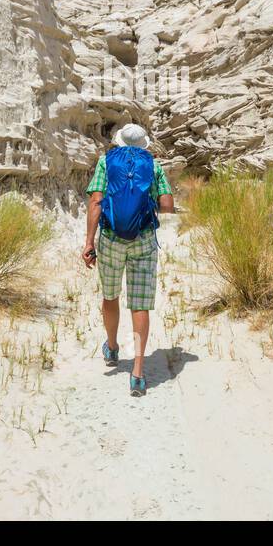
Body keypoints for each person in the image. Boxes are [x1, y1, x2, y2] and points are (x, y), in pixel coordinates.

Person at [81, 123, 174, 396]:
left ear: (119, 142)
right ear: (143, 143)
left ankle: (111, 348)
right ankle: (137, 372)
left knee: (110, 296)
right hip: (144, 240)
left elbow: (96, 202)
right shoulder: (153, 166)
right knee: (140, 305)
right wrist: (149, 205)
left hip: (110, 239)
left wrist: (89, 241)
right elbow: (167, 205)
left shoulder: (105, 162)